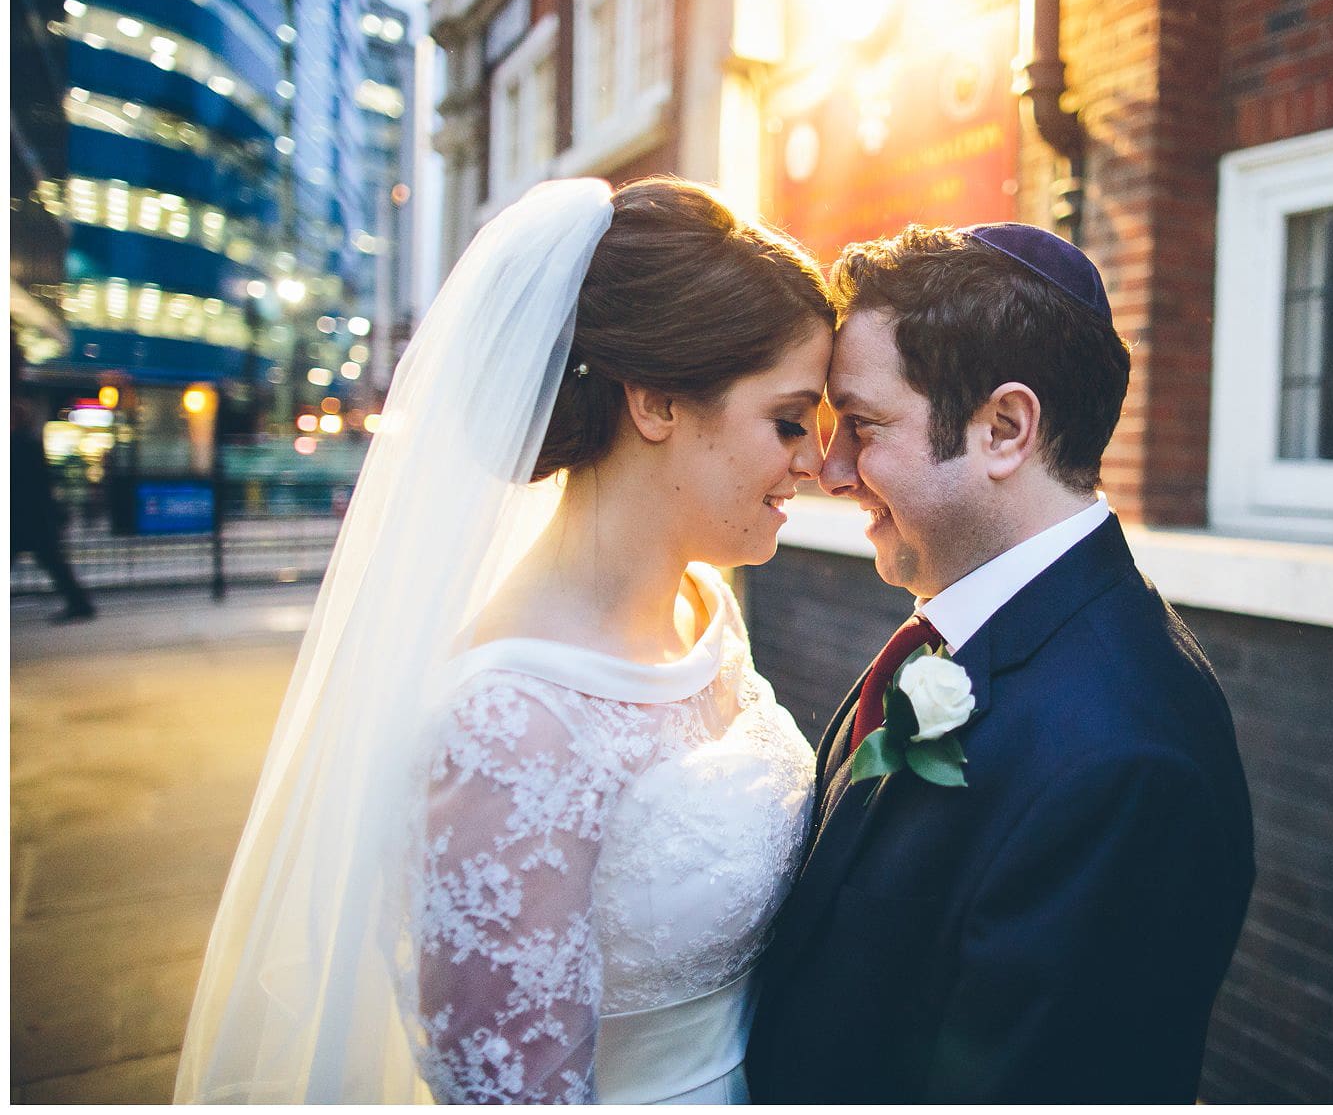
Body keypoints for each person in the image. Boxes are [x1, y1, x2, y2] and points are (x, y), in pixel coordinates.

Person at [175, 177, 834, 1103]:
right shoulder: (506, 724)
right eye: (790, 419)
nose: (818, 459)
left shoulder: (703, 601)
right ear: (655, 403)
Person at [745, 223, 1257, 1102]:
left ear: (1005, 428)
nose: (828, 469)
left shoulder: (1122, 764)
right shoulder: (967, 624)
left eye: (862, 425)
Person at [12, 341, 96, 622]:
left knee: (51, 560)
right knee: (52, 560)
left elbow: (37, 483)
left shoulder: (22, 445)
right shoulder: (25, 443)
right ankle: (80, 603)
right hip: (30, 517)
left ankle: (80, 603)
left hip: (27, 516)